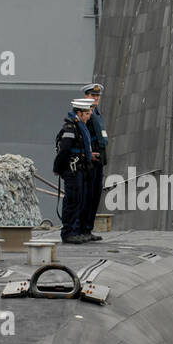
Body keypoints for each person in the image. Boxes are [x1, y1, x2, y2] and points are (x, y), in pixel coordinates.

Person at [53, 98, 94, 243]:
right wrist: (57, 168)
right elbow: (64, 150)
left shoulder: (80, 128)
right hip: (72, 171)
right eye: (87, 114)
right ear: (79, 113)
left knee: (79, 201)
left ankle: (74, 231)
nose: (89, 116)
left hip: (79, 171)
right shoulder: (70, 129)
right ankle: (67, 232)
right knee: (72, 201)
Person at [81, 81, 108, 241]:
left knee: (95, 195)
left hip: (99, 159)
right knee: (88, 195)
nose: (96, 97)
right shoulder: (85, 114)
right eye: (93, 95)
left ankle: (88, 229)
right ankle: (83, 229)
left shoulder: (96, 112)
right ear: (86, 96)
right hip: (91, 160)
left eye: (97, 95)